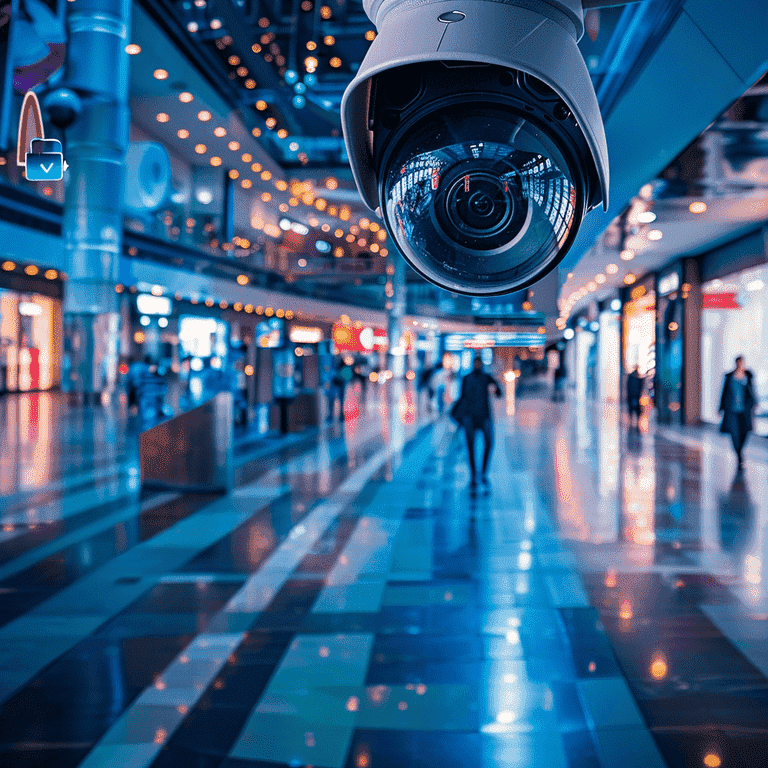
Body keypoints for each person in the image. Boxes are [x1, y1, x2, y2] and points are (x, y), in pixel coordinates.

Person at [458, 355, 502, 489]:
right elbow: (462, 398)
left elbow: (499, 393)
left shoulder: (486, 378)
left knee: (488, 443)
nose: (478, 365)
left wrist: (495, 388)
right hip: (471, 417)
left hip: (484, 417)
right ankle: (474, 473)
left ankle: (482, 472)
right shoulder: (467, 378)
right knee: (471, 447)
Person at [719, 355, 755, 469]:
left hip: (745, 411)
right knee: (734, 433)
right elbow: (724, 393)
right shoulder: (729, 377)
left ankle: (740, 451)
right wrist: (720, 408)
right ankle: (739, 456)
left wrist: (754, 403)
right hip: (732, 411)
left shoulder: (748, 376)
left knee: (745, 432)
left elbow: (752, 391)